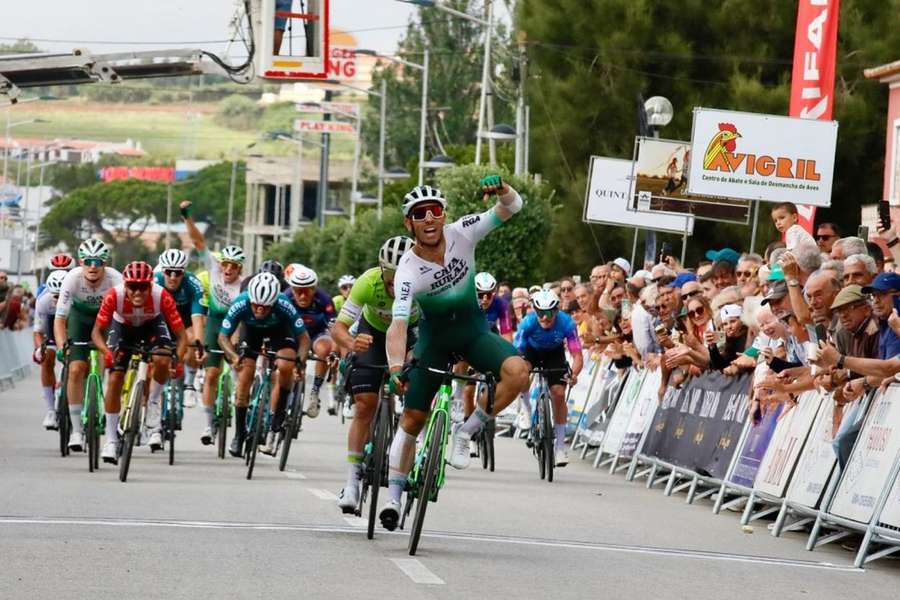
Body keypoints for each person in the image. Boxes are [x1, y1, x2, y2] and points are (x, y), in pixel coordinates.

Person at [380, 176, 530, 531]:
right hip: (434, 342)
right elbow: (398, 325)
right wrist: (396, 366)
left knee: (518, 373)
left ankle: (467, 431)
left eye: (435, 210)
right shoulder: (407, 270)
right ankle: (393, 498)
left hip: (473, 332)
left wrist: (503, 190)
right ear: (409, 223)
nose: (429, 218)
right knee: (413, 420)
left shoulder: (464, 231)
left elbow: (512, 208)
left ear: (444, 213)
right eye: (420, 214)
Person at [331, 236, 420, 513]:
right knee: (364, 406)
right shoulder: (367, 282)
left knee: (413, 412)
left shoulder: (424, 284)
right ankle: (352, 483)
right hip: (373, 335)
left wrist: (413, 356)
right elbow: (339, 328)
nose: (395, 285)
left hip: (412, 335)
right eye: (390, 279)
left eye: (401, 277)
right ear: (381, 270)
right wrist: (350, 343)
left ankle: (396, 488)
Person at [91, 261, 187, 461]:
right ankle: (111, 440)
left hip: (152, 326)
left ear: (150, 285)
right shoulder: (113, 296)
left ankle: (152, 402)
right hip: (123, 329)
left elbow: (182, 336)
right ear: (125, 285)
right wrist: (105, 351)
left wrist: (177, 361)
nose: (138, 292)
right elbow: (97, 332)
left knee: (162, 358)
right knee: (116, 377)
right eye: (133, 287)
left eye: (143, 287)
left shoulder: (161, 296)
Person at [218, 272, 311, 457]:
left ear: (274, 303)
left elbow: (304, 339)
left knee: (286, 365)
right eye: (256, 305)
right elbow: (223, 337)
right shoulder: (241, 303)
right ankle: (239, 434)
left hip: (279, 331)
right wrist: (234, 356)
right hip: (251, 332)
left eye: (265, 307)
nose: (260, 310)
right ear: (250, 300)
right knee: (245, 374)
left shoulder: (284, 304)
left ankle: (279, 411)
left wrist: (299, 363)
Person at [180, 200, 246, 446]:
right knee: (211, 374)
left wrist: (238, 345)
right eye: (225, 264)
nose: (228, 269)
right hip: (215, 322)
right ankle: (209, 425)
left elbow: (244, 318)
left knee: (240, 369)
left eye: (234, 266)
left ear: (240, 268)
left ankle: (241, 411)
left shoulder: (244, 284)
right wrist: (187, 217)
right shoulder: (214, 270)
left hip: (236, 324)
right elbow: (199, 242)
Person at [53, 239, 123, 453]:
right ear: (81, 262)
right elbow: (60, 319)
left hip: (107, 320)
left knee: (109, 361)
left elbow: (123, 314)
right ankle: (76, 430)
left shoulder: (115, 279)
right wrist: (62, 345)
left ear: (105, 263)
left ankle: (99, 392)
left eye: (98, 262)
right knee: (75, 369)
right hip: (80, 320)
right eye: (88, 261)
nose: (93, 266)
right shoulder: (72, 279)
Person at [514, 290, 583, 466]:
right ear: (534, 311)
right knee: (522, 372)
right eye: (540, 313)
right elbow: (517, 353)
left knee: (558, 394)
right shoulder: (527, 323)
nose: (545, 318)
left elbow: (577, 356)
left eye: (549, 313)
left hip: (555, 354)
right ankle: (527, 410)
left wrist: (573, 374)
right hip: (532, 351)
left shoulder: (567, 323)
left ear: (557, 310)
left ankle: (560, 446)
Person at [282, 264, 338, 417]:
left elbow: (334, 328)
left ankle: (315, 392)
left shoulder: (324, 299)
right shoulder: (285, 298)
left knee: (325, 348)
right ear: (292, 289)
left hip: (316, 334)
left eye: (307, 291)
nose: (302, 296)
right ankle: (287, 395)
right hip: (294, 334)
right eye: (298, 291)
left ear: (314, 289)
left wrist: (334, 351)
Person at [155, 249, 207, 408]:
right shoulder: (154, 281)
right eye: (169, 272)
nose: (172, 277)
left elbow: (197, 317)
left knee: (193, 340)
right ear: (163, 270)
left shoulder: (193, 284)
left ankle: (189, 385)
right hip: (160, 318)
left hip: (184, 320)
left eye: (177, 273)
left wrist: (199, 345)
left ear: (184, 272)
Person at [32, 270, 68, 430]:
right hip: (51, 328)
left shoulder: (76, 298)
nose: (58, 299)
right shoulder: (43, 301)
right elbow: (38, 331)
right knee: (47, 359)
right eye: (55, 296)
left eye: (62, 295)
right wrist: (40, 349)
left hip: (71, 327)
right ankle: (51, 410)